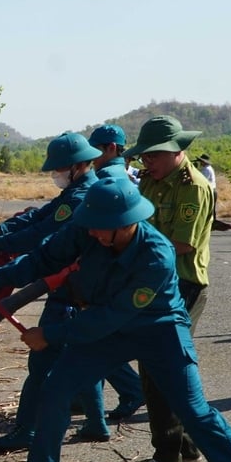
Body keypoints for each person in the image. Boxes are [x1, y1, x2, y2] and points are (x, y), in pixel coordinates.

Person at [0, 177, 231, 462]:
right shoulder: (88, 228)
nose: (93, 234)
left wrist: (50, 334)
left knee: (193, 410)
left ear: (125, 224)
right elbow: (44, 258)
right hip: (106, 329)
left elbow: (114, 315)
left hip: (159, 330)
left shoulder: (157, 252)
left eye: (101, 229)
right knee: (54, 390)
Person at [0, 132, 108, 450]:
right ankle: (97, 423)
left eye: (58, 169)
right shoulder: (78, 189)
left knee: (41, 361)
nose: (54, 175)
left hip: (70, 289)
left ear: (76, 166)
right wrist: (0, 230)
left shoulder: (80, 197)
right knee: (84, 356)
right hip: (80, 288)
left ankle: (27, 431)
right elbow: (40, 215)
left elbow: (40, 236)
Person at [124, 116, 213, 462]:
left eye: (152, 157)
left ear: (176, 151)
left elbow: (181, 244)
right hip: (153, 283)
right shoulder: (149, 181)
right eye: (143, 158)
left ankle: (167, 456)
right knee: (166, 367)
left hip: (184, 285)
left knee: (160, 367)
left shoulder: (194, 188)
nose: (146, 164)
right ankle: (187, 446)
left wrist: (128, 250)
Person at [86, 125, 146, 420]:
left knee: (97, 336)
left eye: (96, 148)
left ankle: (132, 389)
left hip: (108, 267)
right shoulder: (120, 175)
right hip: (109, 265)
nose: (91, 154)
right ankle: (84, 399)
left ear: (111, 148)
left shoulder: (110, 179)